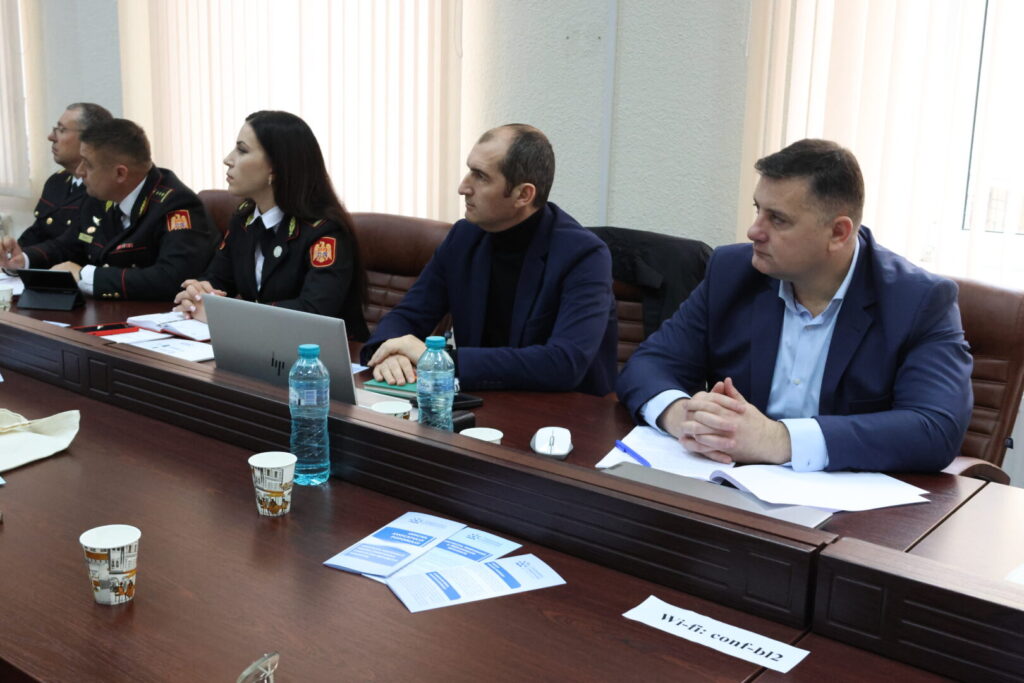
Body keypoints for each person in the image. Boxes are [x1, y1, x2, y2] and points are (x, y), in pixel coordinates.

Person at [616, 139, 973, 473]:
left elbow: (936, 428)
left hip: (848, 505)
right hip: (732, 488)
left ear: (838, 233)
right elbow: (649, 365)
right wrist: (685, 417)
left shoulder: (918, 301)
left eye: (778, 219)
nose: (754, 231)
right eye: (758, 210)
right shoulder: (732, 272)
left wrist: (778, 440)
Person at [361, 124, 617, 395]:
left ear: (523, 195)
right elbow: (409, 314)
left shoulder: (584, 256)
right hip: (479, 402)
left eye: (480, 176)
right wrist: (390, 351)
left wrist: (440, 360)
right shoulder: (464, 237)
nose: (463, 187)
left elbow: (564, 363)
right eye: (469, 170)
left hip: (562, 413)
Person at [171, 110, 369, 341]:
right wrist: (197, 295)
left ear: (275, 167)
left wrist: (226, 315)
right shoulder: (244, 220)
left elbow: (314, 312)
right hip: (263, 347)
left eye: (242, 150)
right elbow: (217, 281)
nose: (228, 159)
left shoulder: (325, 232)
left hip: (325, 355)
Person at [0, 118, 214, 301]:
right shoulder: (100, 196)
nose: (79, 171)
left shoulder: (176, 205)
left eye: (87, 164)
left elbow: (172, 278)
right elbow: (68, 245)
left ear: (120, 173)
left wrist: (85, 276)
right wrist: (22, 260)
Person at [18, 103, 113, 247]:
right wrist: (10, 254)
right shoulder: (56, 182)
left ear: (89, 138)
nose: (51, 137)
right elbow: (38, 232)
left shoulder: (105, 189)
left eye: (61, 130)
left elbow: (83, 245)